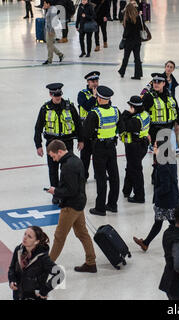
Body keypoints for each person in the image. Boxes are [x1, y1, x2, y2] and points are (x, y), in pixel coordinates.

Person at [46, 140, 98, 273]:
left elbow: (70, 190)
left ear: (60, 151)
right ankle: (91, 263)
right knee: (82, 233)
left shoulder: (67, 166)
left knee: (59, 236)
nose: (54, 159)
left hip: (71, 206)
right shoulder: (75, 160)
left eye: (53, 156)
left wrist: (55, 191)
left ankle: (46, 266)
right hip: (79, 202)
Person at [34, 83, 84, 204]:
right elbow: (38, 128)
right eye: (55, 95)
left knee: (68, 169)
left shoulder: (70, 107)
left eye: (59, 95)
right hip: (52, 143)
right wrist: (38, 145)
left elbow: (78, 124)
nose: (57, 97)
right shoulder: (45, 109)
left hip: (67, 142)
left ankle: (66, 192)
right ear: (50, 94)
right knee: (53, 169)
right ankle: (55, 193)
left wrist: (81, 140)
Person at [133, 139, 179, 252]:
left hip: (166, 202)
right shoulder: (170, 160)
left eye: (155, 146)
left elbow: (165, 187)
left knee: (172, 224)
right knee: (160, 223)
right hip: (172, 199)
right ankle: (145, 243)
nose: (153, 148)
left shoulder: (163, 166)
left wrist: (156, 192)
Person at [83, 86, 123, 216]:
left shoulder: (94, 113)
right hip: (112, 147)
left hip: (99, 148)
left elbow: (87, 133)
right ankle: (112, 204)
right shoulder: (116, 111)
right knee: (114, 177)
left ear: (99, 98)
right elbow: (121, 128)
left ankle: (100, 208)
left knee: (101, 178)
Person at [8, 226, 64, 300]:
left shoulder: (43, 258)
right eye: (25, 234)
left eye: (29, 237)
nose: (25, 238)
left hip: (35, 297)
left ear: (36, 241)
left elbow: (60, 274)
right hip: (18, 295)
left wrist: (44, 290)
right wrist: (12, 280)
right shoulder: (18, 250)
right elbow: (12, 268)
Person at [120, 96, 150, 203]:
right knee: (131, 167)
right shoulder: (145, 114)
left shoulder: (134, 120)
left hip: (134, 147)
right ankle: (126, 190)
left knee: (136, 171)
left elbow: (122, 125)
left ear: (133, 107)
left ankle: (139, 196)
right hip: (143, 144)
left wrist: (126, 113)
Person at [142, 73, 179, 147]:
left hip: (169, 127)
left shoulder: (169, 94)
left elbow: (175, 108)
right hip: (155, 129)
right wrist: (145, 132)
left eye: (159, 82)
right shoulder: (148, 96)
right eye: (154, 82)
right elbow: (142, 113)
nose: (156, 84)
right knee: (160, 152)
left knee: (165, 152)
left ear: (164, 83)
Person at [77, 71, 100, 180]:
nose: (95, 83)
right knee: (85, 157)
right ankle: (83, 176)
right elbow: (86, 106)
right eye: (92, 81)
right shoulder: (82, 94)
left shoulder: (102, 93)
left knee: (99, 156)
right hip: (85, 130)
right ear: (88, 82)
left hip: (98, 130)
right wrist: (94, 97)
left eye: (96, 81)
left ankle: (98, 174)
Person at [117, 3, 143, 80]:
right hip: (137, 41)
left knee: (126, 58)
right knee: (137, 58)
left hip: (129, 41)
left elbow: (126, 32)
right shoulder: (138, 17)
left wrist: (123, 38)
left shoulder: (127, 19)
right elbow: (142, 27)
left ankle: (122, 71)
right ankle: (138, 74)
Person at [42, 0, 64, 65]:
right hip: (48, 29)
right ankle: (60, 54)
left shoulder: (52, 11)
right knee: (49, 44)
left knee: (49, 45)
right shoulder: (49, 9)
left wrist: (51, 31)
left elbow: (53, 22)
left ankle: (49, 60)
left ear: (48, 4)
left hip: (51, 31)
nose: (44, 4)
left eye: (45, 3)